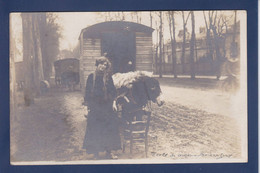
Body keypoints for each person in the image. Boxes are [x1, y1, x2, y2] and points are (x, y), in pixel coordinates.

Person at [82, 56, 121, 159]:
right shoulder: (91, 77)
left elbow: (113, 92)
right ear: (97, 64)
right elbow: (87, 93)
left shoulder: (108, 78)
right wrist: (86, 108)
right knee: (95, 129)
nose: (103, 66)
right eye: (101, 64)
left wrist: (113, 103)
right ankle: (95, 153)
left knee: (109, 129)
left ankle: (109, 152)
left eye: (105, 65)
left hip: (107, 108)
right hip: (95, 108)